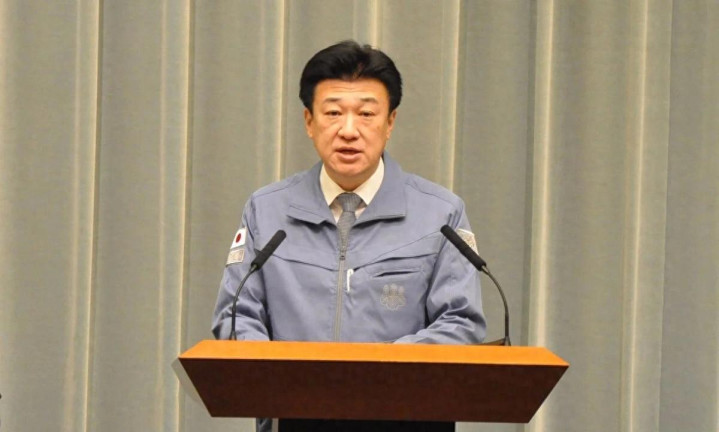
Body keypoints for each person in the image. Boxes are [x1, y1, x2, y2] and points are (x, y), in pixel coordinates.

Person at [212, 40, 485, 345]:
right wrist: (281, 370)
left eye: (366, 114)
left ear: (390, 122)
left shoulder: (441, 215)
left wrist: (379, 367)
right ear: (309, 122)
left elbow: (460, 322)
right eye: (333, 113)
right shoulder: (266, 210)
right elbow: (236, 316)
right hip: (286, 379)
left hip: (397, 378)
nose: (349, 131)